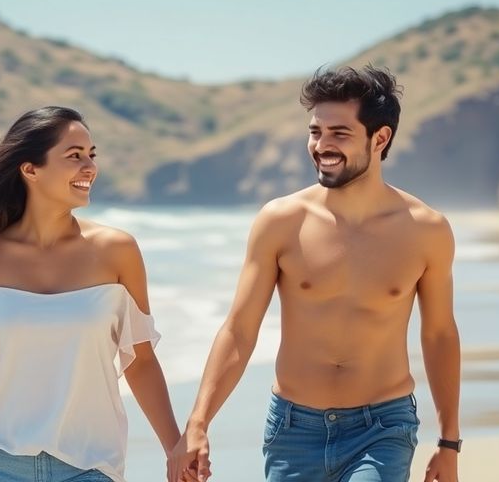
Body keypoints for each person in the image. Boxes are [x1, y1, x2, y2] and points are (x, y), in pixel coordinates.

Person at [170, 65, 461, 482]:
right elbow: (239, 329)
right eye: (315, 132)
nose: (322, 145)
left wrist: (449, 443)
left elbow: (439, 335)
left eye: (339, 133)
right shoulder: (281, 220)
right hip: (293, 429)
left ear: (380, 138)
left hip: (382, 428)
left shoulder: (425, 230)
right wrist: (198, 423)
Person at [0, 106, 182, 482]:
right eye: (74, 156)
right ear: (30, 169)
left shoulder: (117, 251)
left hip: (91, 465)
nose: (90, 167)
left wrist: (175, 449)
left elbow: (140, 361)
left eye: (91, 155)